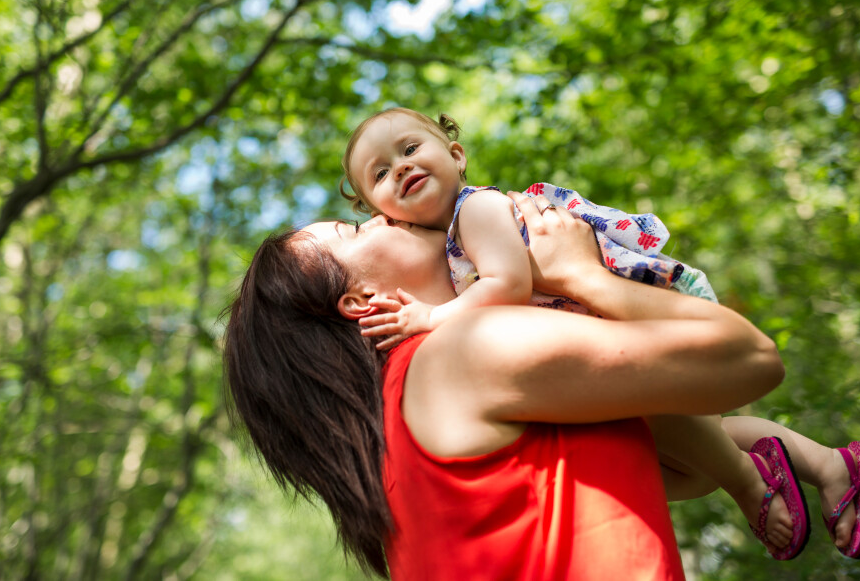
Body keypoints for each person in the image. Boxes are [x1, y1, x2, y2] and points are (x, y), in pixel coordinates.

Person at [338, 107, 860, 561]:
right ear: (383, 214)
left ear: (456, 155)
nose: (401, 166)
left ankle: (748, 483)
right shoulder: (454, 243)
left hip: (624, 301)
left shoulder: (474, 210)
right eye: (381, 173)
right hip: (598, 317)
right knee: (685, 439)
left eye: (410, 147)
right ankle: (829, 463)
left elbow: (508, 281)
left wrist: (431, 318)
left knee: (669, 424)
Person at [224, 195, 791, 578]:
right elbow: (751, 359)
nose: (382, 214)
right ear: (359, 302)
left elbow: (688, 472)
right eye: (354, 229)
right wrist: (582, 276)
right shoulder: (462, 352)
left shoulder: (400, 441)